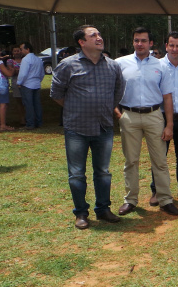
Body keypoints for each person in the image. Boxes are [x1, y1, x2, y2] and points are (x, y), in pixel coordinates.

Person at [50, 25, 124, 229]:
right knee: (76, 174)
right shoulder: (67, 65)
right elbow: (56, 93)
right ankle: (81, 213)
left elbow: (118, 91)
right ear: (82, 42)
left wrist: (106, 107)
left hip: (103, 127)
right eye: (93, 35)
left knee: (103, 172)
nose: (99, 38)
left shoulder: (112, 66)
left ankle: (103, 209)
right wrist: (75, 108)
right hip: (77, 128)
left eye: (99, 34)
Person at [114, 27, 178, 217]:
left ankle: (165, 199)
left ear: (151, 44)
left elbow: (167, 97)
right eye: (136, 40)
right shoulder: (120, 64)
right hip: (129, 116)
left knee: (159, 161)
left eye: (143, 40)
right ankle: (130, 200)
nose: (139, 44)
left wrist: (169, 124)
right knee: (131, 161)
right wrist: (118, 113)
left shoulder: (161, 66)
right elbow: (112, 90)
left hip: (154, 115)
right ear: (133, 42)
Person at [148, 31, 178, 206]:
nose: (174, 49)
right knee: (159, 156)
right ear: (166, 46)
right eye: (171, 45)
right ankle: (156, 191)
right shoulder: (157, 66)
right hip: (160, 118)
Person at [16, 42, 44, 130]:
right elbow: (42, 73)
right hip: (36, 83)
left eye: (21, 49)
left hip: (27, 84)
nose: (20, 51)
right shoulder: (38, 59)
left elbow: (23, 73)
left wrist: (19, 82)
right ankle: (39, 122)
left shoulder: (26, 59)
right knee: (37, 104)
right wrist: (38, 80)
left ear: (27, 49)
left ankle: (30, 123)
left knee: (28, 105)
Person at [0, 45, 14, 131]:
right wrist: (12, 69)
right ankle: (3, 125)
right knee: (3, 105)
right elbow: (8, 74)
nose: (0, 52)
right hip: (1, 84)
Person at [7, 45, 25, 126]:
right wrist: (19, 71)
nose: (17, 52)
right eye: (15, 51)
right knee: (19, 101)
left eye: (18, 50)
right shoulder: (10, 61)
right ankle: (22, 119)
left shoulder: (25, 60)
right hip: (16, 82)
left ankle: (28, 117)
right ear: (12, 52)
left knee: (27, 101)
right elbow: (12, 72)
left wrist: (17, 70)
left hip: (26, 82)